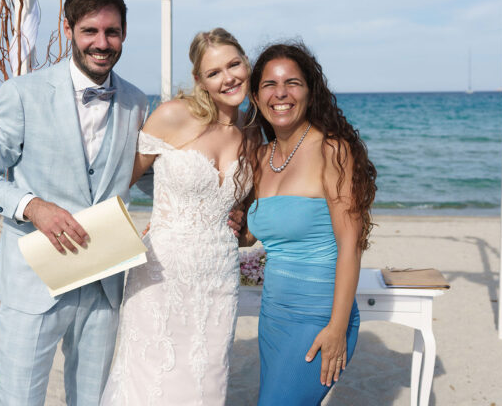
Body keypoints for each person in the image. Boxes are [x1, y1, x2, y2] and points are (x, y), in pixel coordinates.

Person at [0, 0, 149, 406]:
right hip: (36, 280)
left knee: (92, 399)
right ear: (68, 30)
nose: (102, 43)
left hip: (103, 280)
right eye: (90, 31)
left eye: (112, 32)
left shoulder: (137, 102)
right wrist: (33, 207)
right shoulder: (22, 93)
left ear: (124, 34)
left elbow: (146, 174)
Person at [100, 28, 252, 405]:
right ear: (200, 80)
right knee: (150, 382)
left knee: (207, 382)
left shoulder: (253, 131)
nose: (228, 77)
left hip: (219, 279)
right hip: (161, 273)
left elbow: (252, 201)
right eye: (214, 72)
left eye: (234, 64)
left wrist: (244, 222)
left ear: (247, 64)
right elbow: (115, 184)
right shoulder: (172, 116)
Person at [239, 41, 377, 405]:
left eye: (292, 83)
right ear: (256, 96)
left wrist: (336, 328)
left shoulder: (332, 151)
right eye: (270, 84)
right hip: (273, 317)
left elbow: (351, 246)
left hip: (320, 317)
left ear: (309, 92)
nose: (281, 93)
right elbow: (250, 235)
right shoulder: (260, 158)